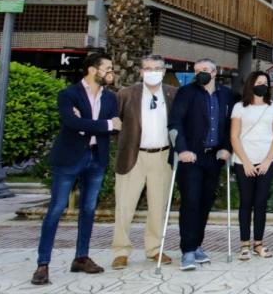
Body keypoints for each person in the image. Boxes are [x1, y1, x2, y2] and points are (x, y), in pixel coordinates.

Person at [32, 53, 121, 285]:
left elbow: (116, 126)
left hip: (96, 158)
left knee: (89, 209)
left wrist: (88, 124)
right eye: (107, 68)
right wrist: (104, 124)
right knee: (56, 208)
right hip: (69, 158)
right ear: (92, 70)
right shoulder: (68, 94)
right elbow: (71, 123)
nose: (111, 72)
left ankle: (81, 257)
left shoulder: (110, 98)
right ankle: (43, 264)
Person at [111, 55, 175, 270]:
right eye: (148, 68)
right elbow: (114, 123)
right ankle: (120, 251)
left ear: (163, 71)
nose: (152, 72)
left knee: (158, 206)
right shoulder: (126, 94)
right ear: (141, 72)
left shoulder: (173, 94)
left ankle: (154, 249)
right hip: (133, 156)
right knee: (124, 206)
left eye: (157, 68)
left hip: (162, 157)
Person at [170, 58, 233, 271]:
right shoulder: (186, 93)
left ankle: (197, 244)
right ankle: (187, 250)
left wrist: (227, 148)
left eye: (204, 70)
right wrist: (182, 150)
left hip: (214, 157)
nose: (200, 74)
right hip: (191, 157)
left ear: (215, 72)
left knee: (205, 202)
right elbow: (175, 122)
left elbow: (230, 125)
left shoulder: (226, 95)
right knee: (191, 202)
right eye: (197, 71)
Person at [230, 71, 273, 260]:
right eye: (259, 82)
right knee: (246, 202)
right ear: (251, 84)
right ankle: (244, 244)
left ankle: (258, 244)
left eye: (265, 83)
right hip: (243, 162)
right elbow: (234, 136)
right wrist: (245, 162)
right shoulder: (239, 107)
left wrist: (268, 160)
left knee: (260, 202)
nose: (263, 85)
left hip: (267, 162)